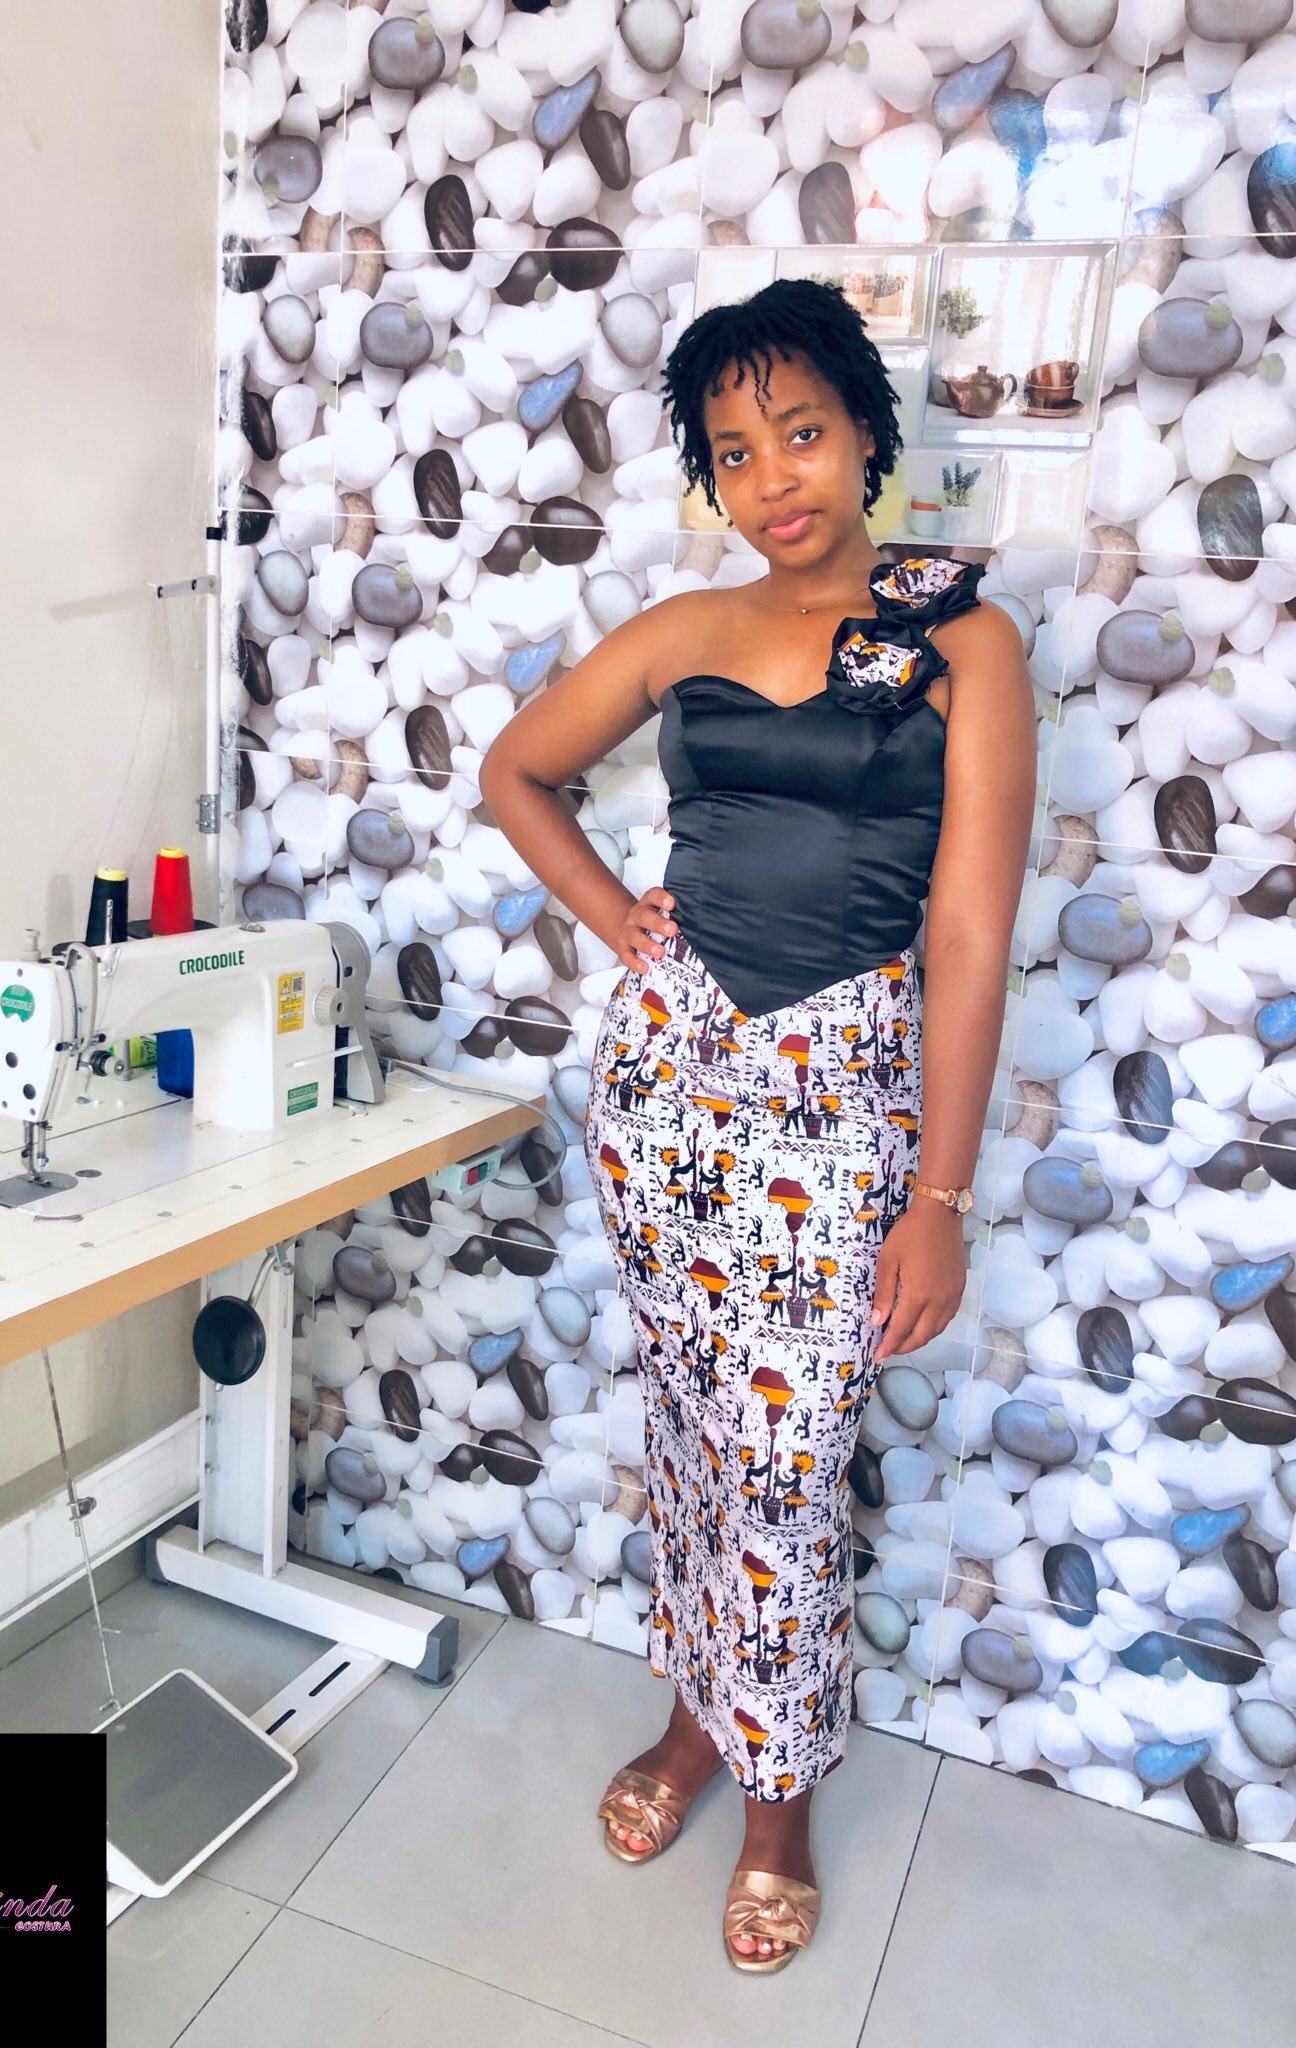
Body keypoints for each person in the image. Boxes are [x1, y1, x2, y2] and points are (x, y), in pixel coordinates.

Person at [479, 278, 1036, 1974]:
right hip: (667, 1093)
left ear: (868, 432)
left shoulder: (967, 643)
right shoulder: (686, 629)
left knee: (788, 1474)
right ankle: (695, 1716)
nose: (773, 475)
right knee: (692, 1438)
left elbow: (967, 935)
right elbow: (516, 771)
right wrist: (617, 921)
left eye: (801, 431)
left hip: (843, 1102)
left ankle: (778, 1805)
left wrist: (939, 1196)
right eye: (734, 451)